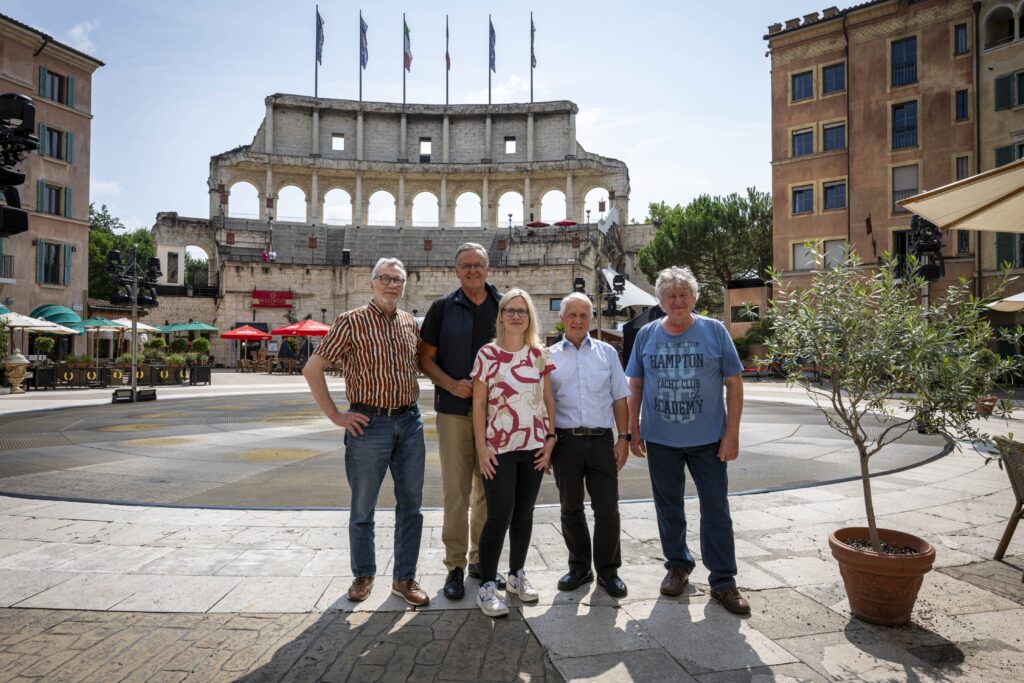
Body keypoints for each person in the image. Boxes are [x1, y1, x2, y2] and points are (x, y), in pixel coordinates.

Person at [302, 257, 429, 607]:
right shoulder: (350, 322)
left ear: (405, 285)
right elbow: (313, 369)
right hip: (368, 422)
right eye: (385, 278)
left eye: (398, 279)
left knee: (412, 505)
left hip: (409, 420)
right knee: (363, 506)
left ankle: (404, 578)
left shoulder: (409, 323)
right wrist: (336, 416)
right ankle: (364, 574)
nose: (392, 285)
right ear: (372, 283)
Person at [626, 266, 749, 615]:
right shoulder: (647, 335)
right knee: (668, 507)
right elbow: (634, 384)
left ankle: (724, 581)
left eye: (683, 294)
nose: (677, 300)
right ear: (661, 301)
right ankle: (677, 566)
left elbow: (734, 383)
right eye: (670, 295)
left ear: (694, 298)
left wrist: (732, 433)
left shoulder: (714, 331)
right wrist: (633, 429)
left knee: (716, 509)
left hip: (709, 440)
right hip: (661, 439)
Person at [419, 243, 503, 600]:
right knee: (456, 493)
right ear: (456, 271)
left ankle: (480, 562)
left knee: (488, 491)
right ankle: (454, 565)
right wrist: (452, 383)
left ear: (487, 268)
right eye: (466, 265)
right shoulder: (441, 308)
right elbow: (424, 359)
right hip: (454, 410)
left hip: (498, 414)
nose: (472, 270)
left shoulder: (505, 306)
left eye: (478, 265)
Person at [471, 289, 556, 618]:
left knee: (524, 514)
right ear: (502, 315)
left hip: (534, 446)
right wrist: (482, 447)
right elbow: (478, 404)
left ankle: (517, 575)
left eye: (522, 310)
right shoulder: (487, 355)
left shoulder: (539, 354)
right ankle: (487, 585)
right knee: (498, 517)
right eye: (510, 310)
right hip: (499, 448)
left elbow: (549, 399)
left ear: (529, 316)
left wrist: (551, 437)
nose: (516, 316)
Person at [548, 292, 631, 598]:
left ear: (591, 319)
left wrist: (623, 438)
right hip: (565, 443)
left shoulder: (607, 353)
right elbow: (544, 405)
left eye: (584, 316)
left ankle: (609, 572)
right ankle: (579, 568)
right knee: (570, 508)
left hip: (600, 442)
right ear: (562, 319)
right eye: (572, 315)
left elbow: (620, 398)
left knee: (608, 508)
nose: (578, 321)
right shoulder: (548, 356)